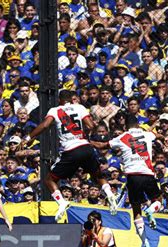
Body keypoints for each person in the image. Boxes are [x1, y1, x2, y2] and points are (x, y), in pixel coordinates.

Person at [23, 90, 117, 221]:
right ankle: (108, 193)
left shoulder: (54, 110)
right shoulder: (80, 107)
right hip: (86, 147)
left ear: (59, 100)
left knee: (49, 180)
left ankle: (61, 202)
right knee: (97, 175)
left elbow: (45, 125)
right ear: (72, 99)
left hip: (71, 150)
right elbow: (91, 125)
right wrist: (86, 135)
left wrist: (29, 137)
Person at [91, 114, 162, 247]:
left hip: (132, 176)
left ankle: (145, 242)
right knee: (159, 200)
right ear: (138, 124)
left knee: (136, 211)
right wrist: (161, 138)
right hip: (147, 174)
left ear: (125, 126)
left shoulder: (122, 137)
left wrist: (88, 141)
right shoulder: (147, 135)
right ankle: (150, 210)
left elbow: (102, 146)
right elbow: (158, 136)